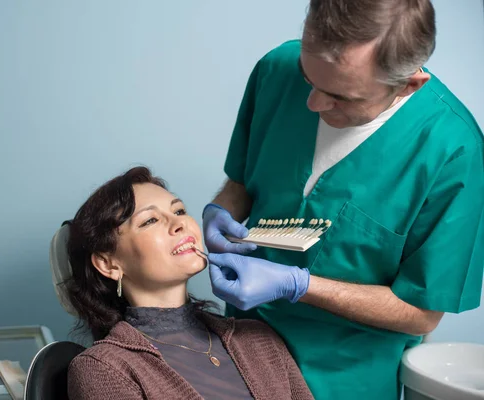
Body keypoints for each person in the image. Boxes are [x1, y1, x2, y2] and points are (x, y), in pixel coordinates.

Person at [203, 1, 484, 399]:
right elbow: (241, 184)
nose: (313, 104)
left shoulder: (454, 154)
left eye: (341, 97)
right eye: (308, 77)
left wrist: (297, 285)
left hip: (342, 379)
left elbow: (421, 312)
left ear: (409, 84)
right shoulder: (277, 68)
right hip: (237, 354)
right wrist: (220, 212)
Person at [65, 167, 314, 400]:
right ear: (108, 264)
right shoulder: (103, 368)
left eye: (179, 211)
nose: (180, 223)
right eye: (150, 220)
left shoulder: (259, 339)